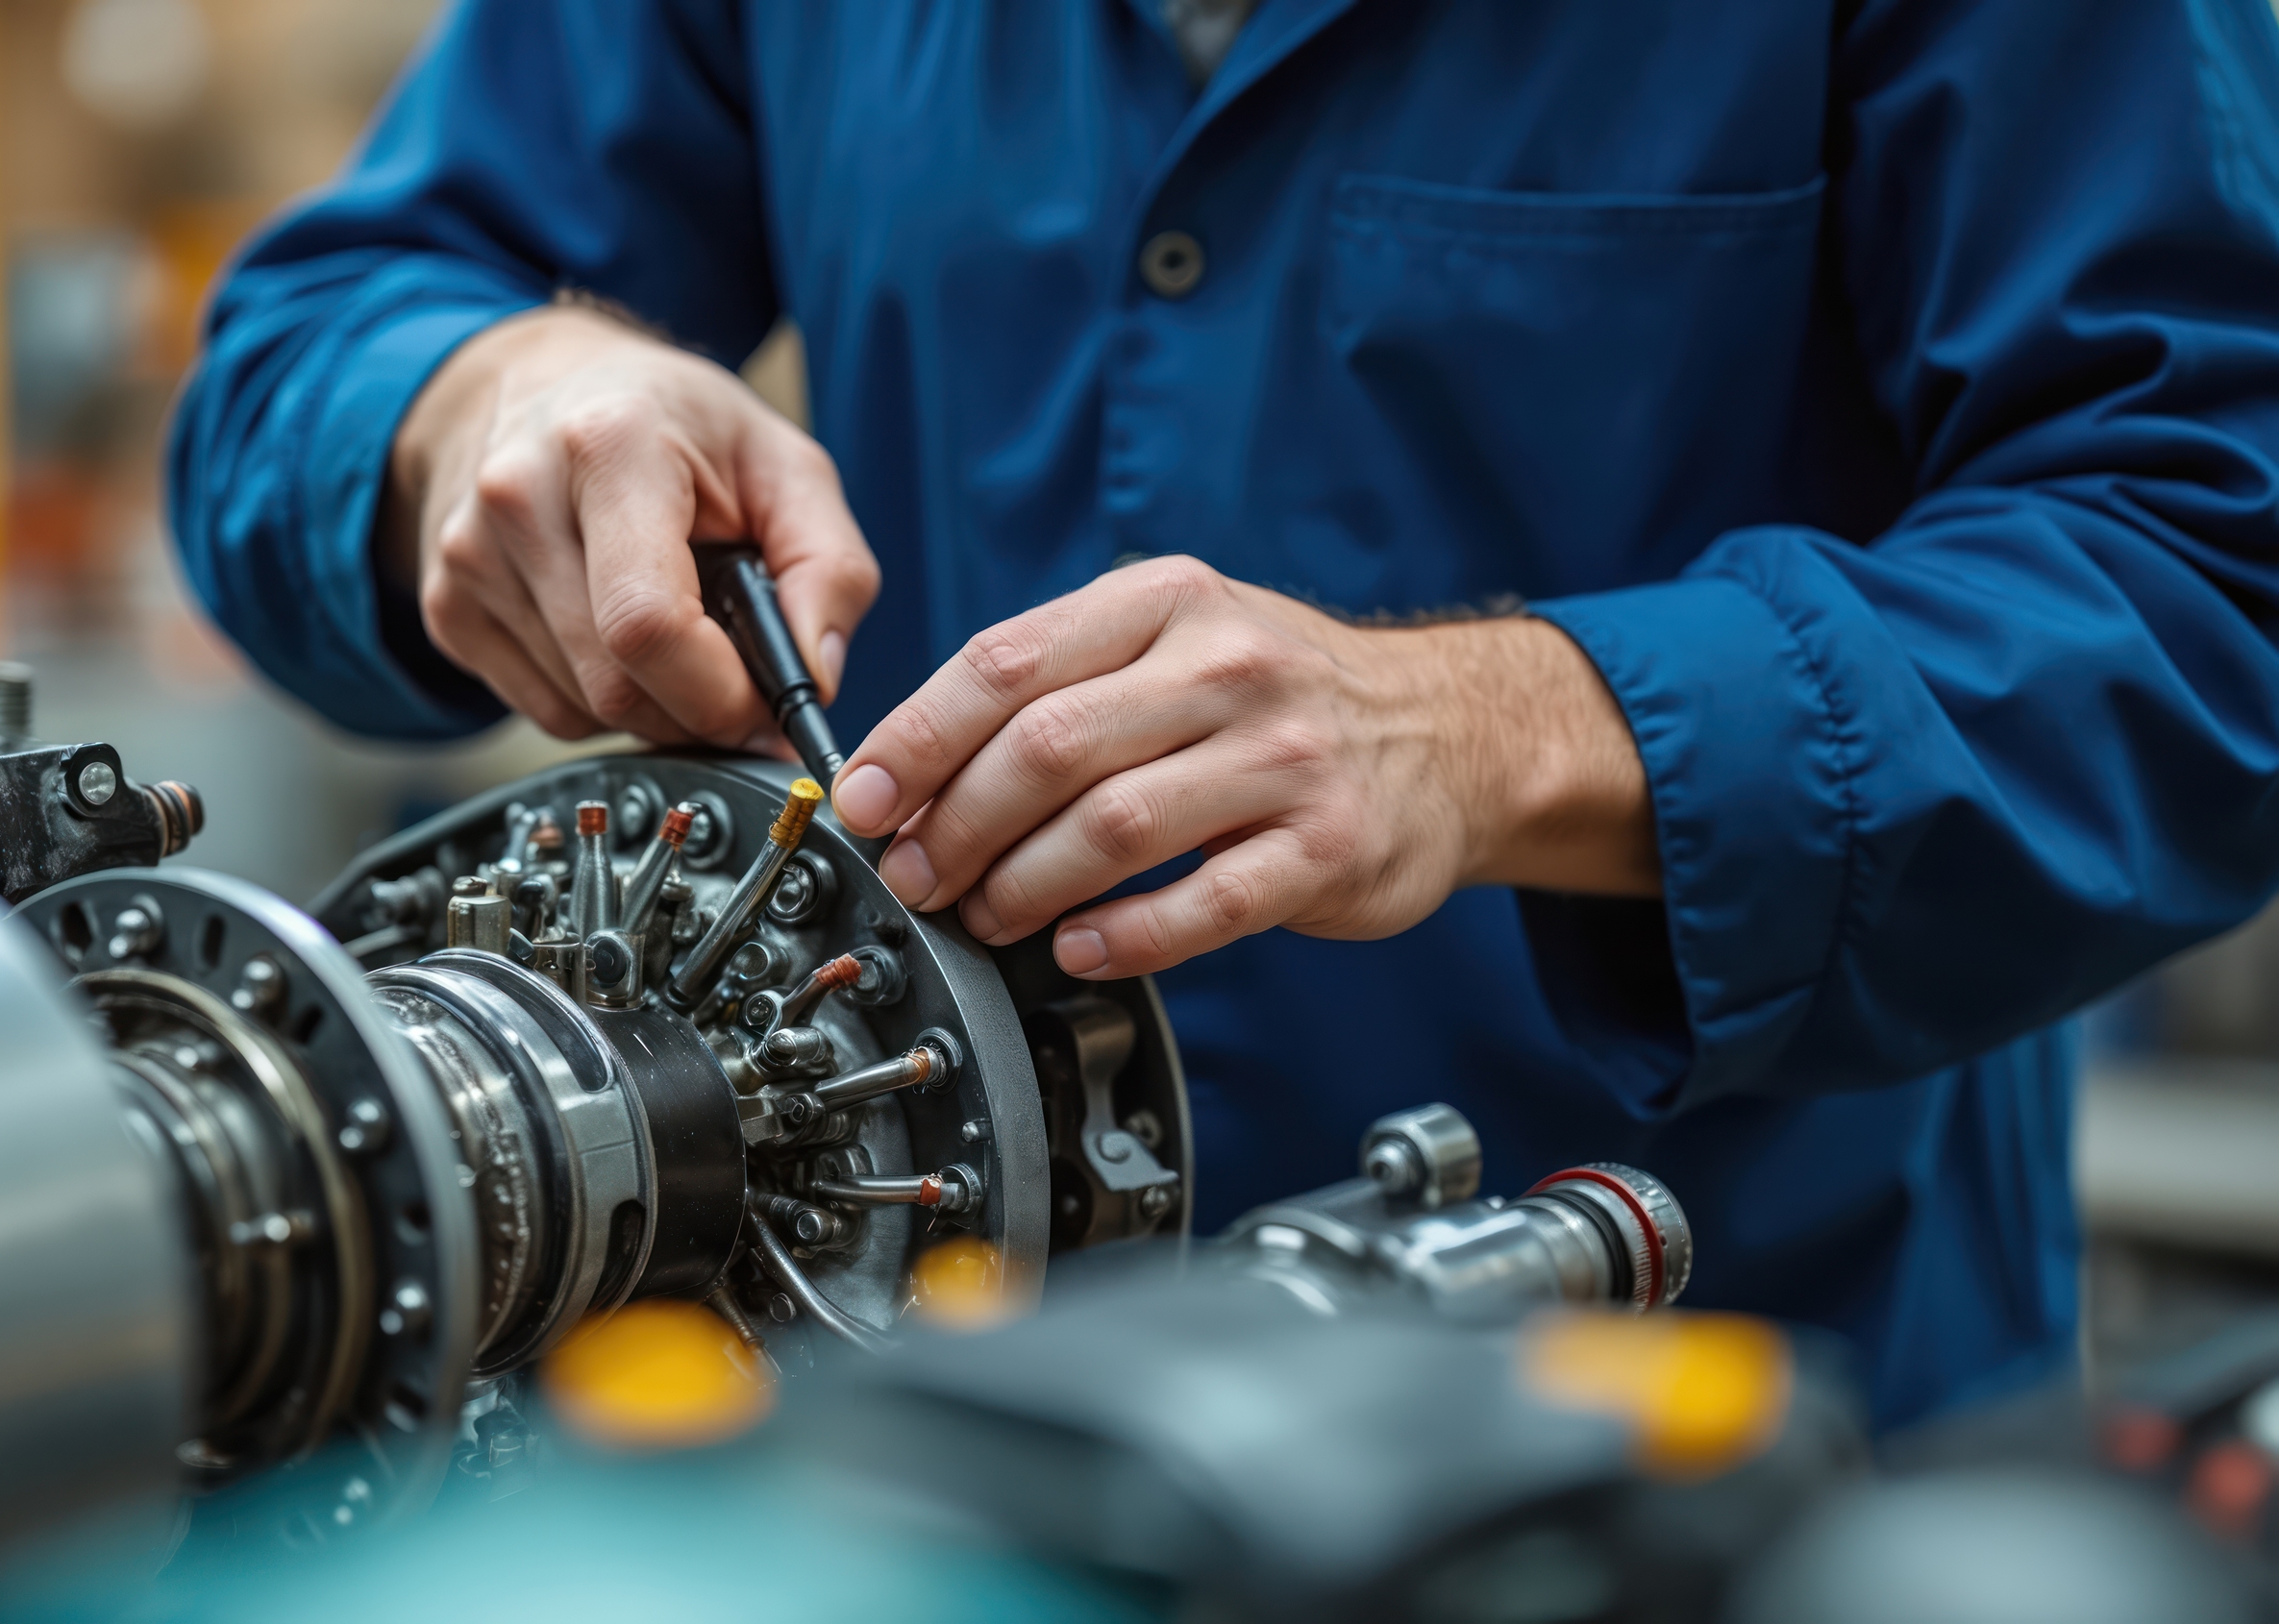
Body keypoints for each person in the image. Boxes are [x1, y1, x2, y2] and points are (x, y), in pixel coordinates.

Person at [169, 0, 2279, 1427]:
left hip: (1710, 1418)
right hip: (932, 1426)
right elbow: (307, 349)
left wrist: (1498, 725)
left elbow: (2212, 566)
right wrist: (480, 398)